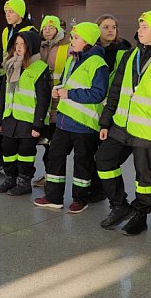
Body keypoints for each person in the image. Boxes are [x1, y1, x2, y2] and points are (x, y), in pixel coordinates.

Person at [96, 10, 151, 235]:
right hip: (121, 126)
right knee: (104, 160)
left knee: (144, 179)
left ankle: (140, 215)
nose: (139, 31)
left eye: (144, 27)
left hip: (148, 131)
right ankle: (120, 205)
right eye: (139, 26)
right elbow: (115, 90)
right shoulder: (130, 55)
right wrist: (105, 122)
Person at [34, 22, 108, 212]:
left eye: (76, 38)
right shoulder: (72, 60)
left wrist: (69, 94)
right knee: (55, 158)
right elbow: (68, 84)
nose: (71, 41)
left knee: (82, 164)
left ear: (88, 41)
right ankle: (53, 197)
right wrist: (58, 90)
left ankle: (80, 199)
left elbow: (98, 94)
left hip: (84, 125)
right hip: (63, 121)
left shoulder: (98, 64)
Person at [0, 31, 51, 195]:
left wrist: (38, 124)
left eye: (22, 44)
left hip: (28, 120)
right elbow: (3, 95)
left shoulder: (41, 68)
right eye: (16, 44)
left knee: (26, 152)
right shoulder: (11, 65)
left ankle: (24, 182)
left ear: (31, 46)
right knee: (8, 148)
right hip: (10, 117)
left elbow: (43, 99)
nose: (18, 48)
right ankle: (10, 178)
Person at [33, 15, 70, 188]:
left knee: (54, 146)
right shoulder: (38, 47)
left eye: (51, 27)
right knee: (46, 143)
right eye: (44, 28)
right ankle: (48, 175)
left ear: (58, 29)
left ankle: (52, 178)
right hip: (42, 103)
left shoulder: (67, 47)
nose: (47, 31)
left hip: (58, 103)